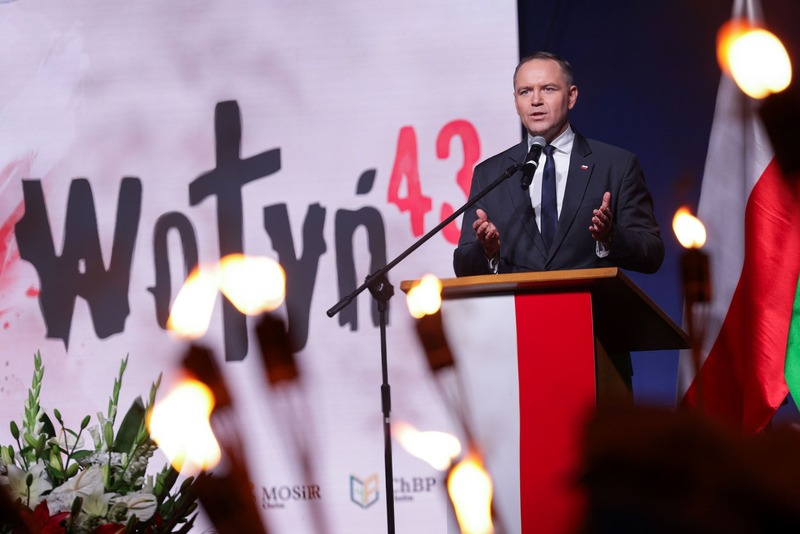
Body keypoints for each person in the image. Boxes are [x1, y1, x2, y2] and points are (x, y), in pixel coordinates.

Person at [453, 52, 664, 276]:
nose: (535, 100)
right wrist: (488, 251)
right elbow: (463, 266)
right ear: (516, 102)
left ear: (571, 96)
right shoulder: (490, 174)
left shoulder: (616, 165)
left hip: (590, 307)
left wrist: (609, 237)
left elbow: (652, 253)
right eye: (525, 92)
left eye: (548, 89)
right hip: (520, 308)